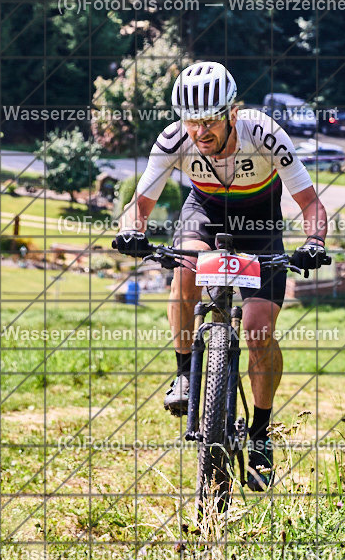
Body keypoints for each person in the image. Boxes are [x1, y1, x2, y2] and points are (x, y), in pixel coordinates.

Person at [113, 61, 329, 492]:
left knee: (257, 331)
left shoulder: (264, 133)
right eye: (191, 121)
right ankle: (183, 372)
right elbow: (140, 202)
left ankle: (262, 433)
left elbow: (309, 203)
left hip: (262, 224)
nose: (199, 132)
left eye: (210, 120)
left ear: (233, 113)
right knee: (185, 270)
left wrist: (315, 242)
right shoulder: (174, 139)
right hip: (205, 215)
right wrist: (130, 231)